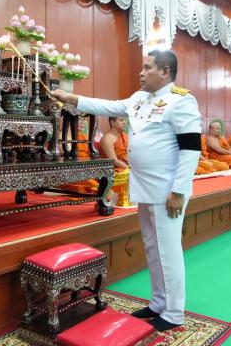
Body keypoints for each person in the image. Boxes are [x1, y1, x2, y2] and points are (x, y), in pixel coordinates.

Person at [51, 49, 201, 332]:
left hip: (167, 190)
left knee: (168, 250)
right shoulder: (139, 98)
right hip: (144, 186)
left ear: (165, 72)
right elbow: (107, 106)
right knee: (152, 246)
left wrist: (179, 191)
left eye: (148, 68)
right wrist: (71, 97)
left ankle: (174, 312)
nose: (141, 73)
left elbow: (191, 149)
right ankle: (158, 302)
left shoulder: (181, 101)